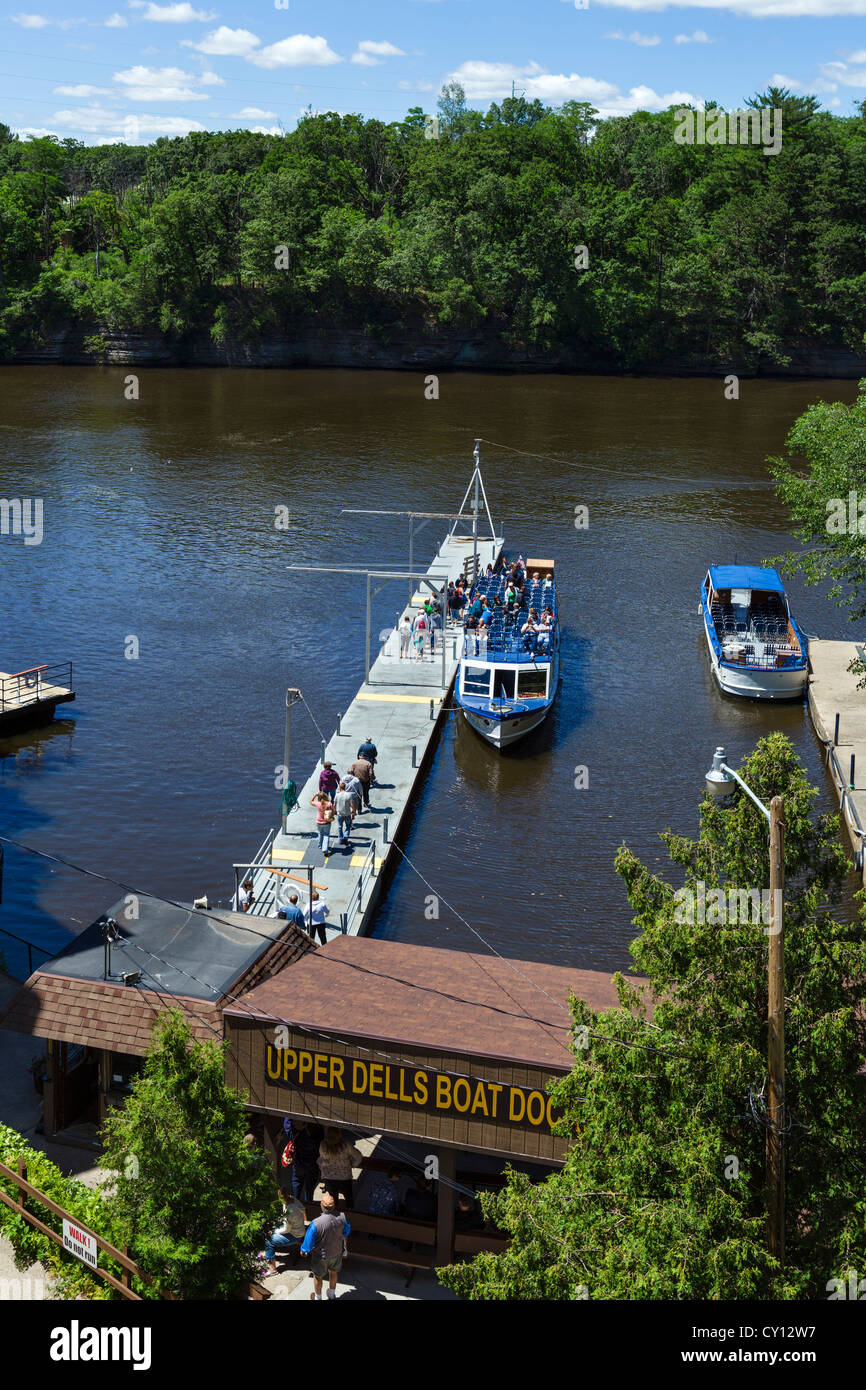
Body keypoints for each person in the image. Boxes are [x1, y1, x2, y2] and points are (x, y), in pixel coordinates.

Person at [300, 1192, 351, 1301]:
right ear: (334, 1206)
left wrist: (304, 1251)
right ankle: (331, 1295)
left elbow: (308, 1242)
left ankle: (318, 1298)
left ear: (322, 1206)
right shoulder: (342, 1217)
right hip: (337, 1253)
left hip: (320, 1256)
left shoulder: (316, 1223)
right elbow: (346, 1233)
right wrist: (345, 1250)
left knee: (318, 1277)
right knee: (333, 1273)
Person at [261, 1184, 307, 1276]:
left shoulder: (289, 1211)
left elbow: (286, 1229)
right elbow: (303, 1209)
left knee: (269, 1241)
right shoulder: (293, 1199)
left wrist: (274, 1231)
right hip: (295, 1229)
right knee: (266, 1229)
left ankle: (273, 1269)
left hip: (294, 1235)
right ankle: (268, 1253)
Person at [317, 1128, 362, 1207]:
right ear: (339, 1134)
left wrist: (322, 1169)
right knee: (349, 1199)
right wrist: (352, 1165)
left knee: (333, 1200)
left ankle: (336, 1216)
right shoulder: (345, 1145)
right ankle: (350, 1215)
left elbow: (321, 1159)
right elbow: (358, 1156)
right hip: (344, 1177)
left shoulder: (323, 1145)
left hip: (328, 1177)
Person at [292, 1121, 324, 1202]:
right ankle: (308, 1205)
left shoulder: (299, 1135)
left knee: (296, 1183)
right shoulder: (320, 1135)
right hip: (313, 1166)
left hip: (300, 1164)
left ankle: (295, 1204)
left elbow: (287, 1127)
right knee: (309, 1189)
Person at [310, 791, 335, 857]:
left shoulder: (318, 803)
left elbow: (311, 801)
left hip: (318, 821)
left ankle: (320, 845)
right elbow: (333, 811)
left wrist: (315, 795)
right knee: (326, 835)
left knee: (320, 833)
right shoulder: (329, 804)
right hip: (326, 821)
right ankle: (325, 849)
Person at [334, 780, 356, 847]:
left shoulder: (337, 795)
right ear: (345, 787)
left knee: (340, 827)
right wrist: (353, 812)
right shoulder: (348, 795)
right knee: (348, 826)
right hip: (347, 814)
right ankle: (345, 837)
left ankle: (340, 840)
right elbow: (352, 805)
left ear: (340, 788)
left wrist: (334, 811)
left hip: (339, 814)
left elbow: (334, 805)